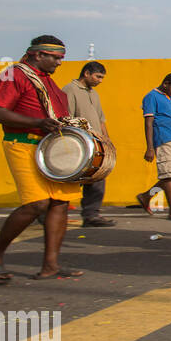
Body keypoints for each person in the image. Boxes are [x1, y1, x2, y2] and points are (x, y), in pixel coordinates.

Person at [0, 36, 86, 281]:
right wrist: (39, 122)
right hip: (23, 144)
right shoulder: (12, 76)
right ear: (38, 54)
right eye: (56, 57)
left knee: (59, 202)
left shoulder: (47, 82)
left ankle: (51, 266)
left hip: (52, 149)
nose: (60, 63)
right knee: (36, 204)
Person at [64, 60, 115, 226]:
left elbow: (101, 120)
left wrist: (106, 141)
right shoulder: (70, 90)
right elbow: (66, 118)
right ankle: (54, 214)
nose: (100, 80)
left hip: (96, 145)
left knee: (97, 177)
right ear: (86, 73)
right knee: (68, 180)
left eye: (102, 78)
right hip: (77, 144)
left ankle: (91, 215)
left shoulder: (94, 94)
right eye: (98, 76)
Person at [139, 73, 171, 220]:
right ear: (165, 84)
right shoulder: (151, 96)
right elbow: (148, 122)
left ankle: (147, 196)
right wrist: (150, 147)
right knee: (169, 175)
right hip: (164, 138)